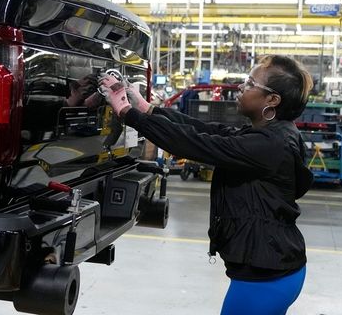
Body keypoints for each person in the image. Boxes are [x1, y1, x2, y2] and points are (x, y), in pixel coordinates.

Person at [99, 55, 314, 315]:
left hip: (265, 276)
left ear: (272, 100)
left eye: (249, 83)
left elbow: (194, 144)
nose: (240, 87)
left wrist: (127, 113)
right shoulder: (271, 134)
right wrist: (148, 109)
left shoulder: (269, 145)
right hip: (273, 266)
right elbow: (205, 130)